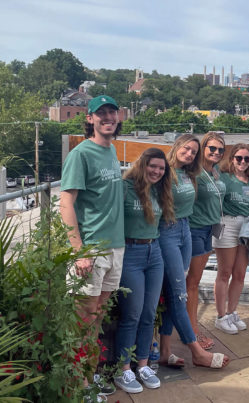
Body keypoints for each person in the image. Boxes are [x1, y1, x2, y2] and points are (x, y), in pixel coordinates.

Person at [59, 95, 124, 399]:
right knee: (82, 320)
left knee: (97, 317)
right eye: (101, 114)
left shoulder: (111, 150)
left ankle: (90, 376)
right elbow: (66, 202)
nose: (108, 117)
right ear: (90, 119)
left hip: (115, 248)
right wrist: (78, 251)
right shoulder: (81, 154)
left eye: (112, 112)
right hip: (91, 251)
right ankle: (78, 385)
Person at [158, 134, 228, 368]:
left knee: (173, 292)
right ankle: (195, 350)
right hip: (168, 230)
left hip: (186, 229)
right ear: (176, 147)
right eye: (186, 149)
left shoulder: (190, 174)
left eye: (193, 152)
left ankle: (165, 350)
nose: (189, 154)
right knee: (180, 292)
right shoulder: (164, 172)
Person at [114, 148, 173, 393]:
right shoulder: (124, 187)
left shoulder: (160, 190)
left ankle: (143, 364)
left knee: (149, 313)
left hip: (154, 252)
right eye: (153, 166)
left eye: (161, 168)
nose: (157, 172)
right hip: (130, 252)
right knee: (132, 314)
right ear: (142, 164)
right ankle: (123, 369)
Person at [213, 144, 249, 334]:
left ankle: (232, 312)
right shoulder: (223, 177)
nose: (242, 162)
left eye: (246, 159)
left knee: (240, 274)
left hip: (246, 227)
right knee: (224, 272)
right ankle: (220, 316)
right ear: (232, 158)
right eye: (238, 158)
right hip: (227, 224)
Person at [186, 132, 225, 347]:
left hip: (209, 229)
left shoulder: (216, 171)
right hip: (195, 229)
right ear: (203, 148)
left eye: (220, 150)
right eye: (212, 148)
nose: (216, 153)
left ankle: (189, 328)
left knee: (193, 282)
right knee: (192, 284)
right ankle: (193, 333)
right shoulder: (195, 172)